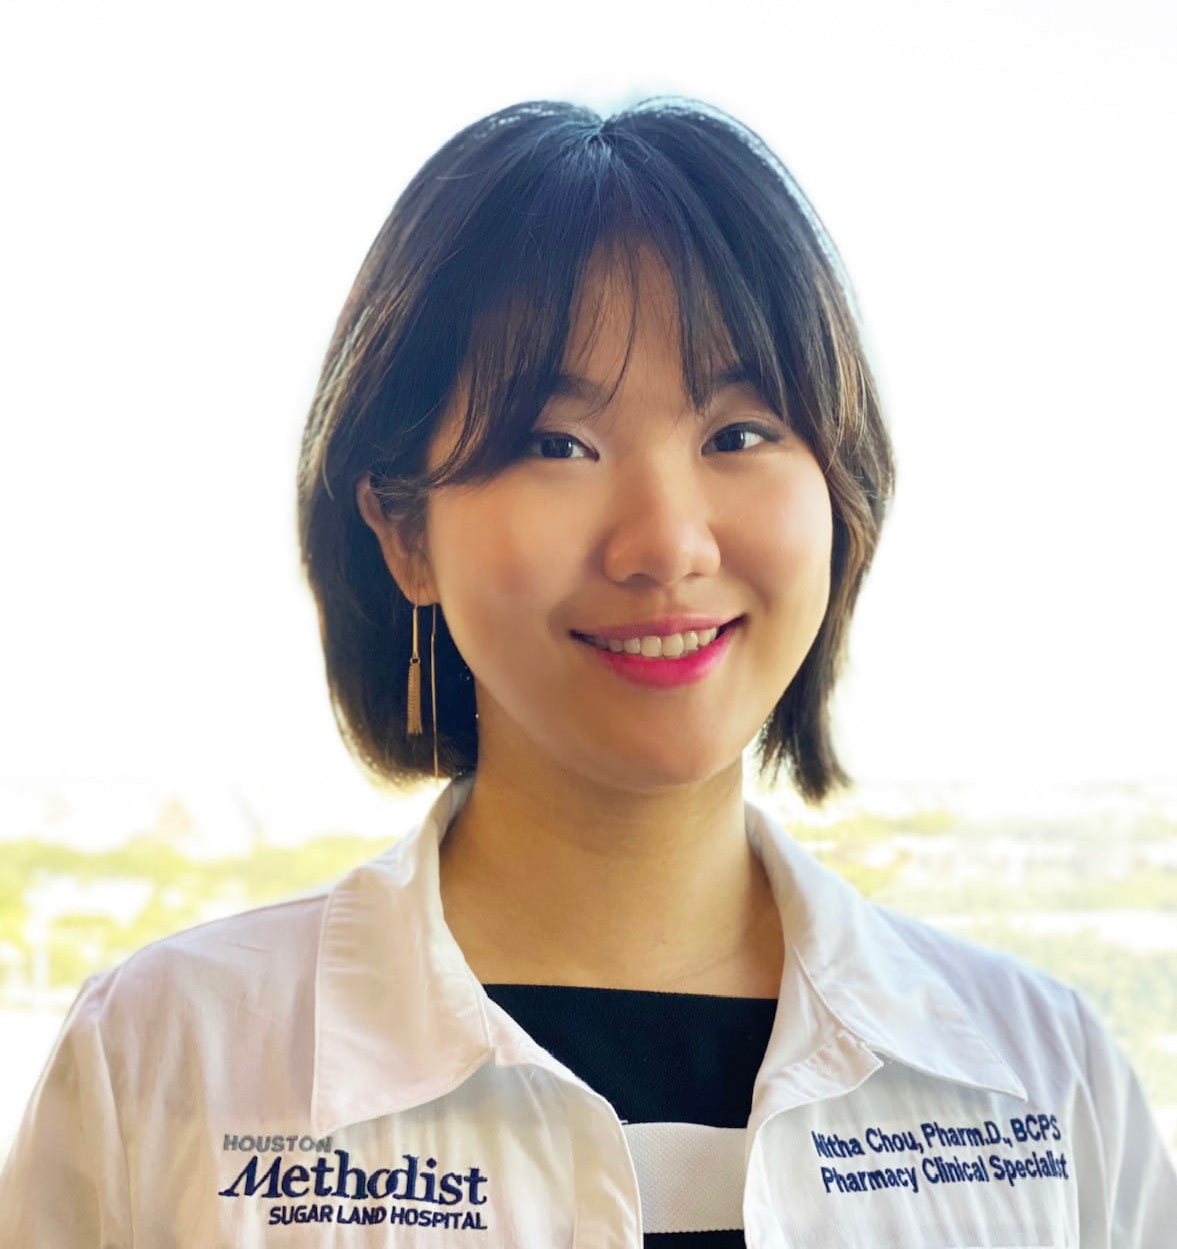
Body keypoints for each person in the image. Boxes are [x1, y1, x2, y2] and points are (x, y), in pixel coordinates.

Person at [2, 97, 1174, 1247]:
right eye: (554, 442)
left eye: (738, 433)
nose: (666, 542)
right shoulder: (164, 1061)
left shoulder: (1046, 1079)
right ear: (404, 532)